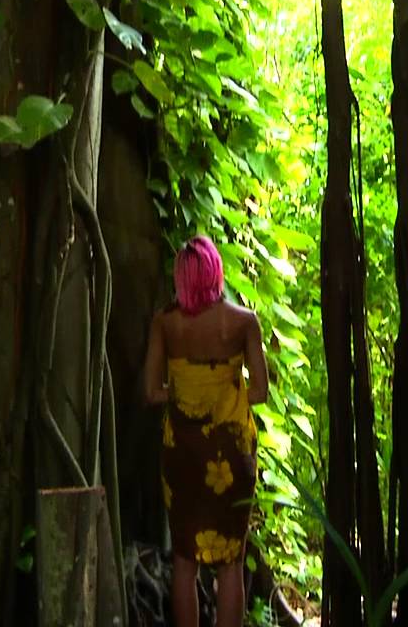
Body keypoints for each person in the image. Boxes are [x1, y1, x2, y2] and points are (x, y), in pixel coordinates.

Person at [145, 236, 269, 627]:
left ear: (181, 279)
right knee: (231, 561)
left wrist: (185, 393)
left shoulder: (165, 322)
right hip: (233, 454)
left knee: (185, 559)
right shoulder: (244, 322)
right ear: (217, 273)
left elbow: (151, 392)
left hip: (182, 452)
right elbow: (261, 392)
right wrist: (223, 396)